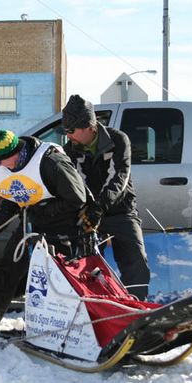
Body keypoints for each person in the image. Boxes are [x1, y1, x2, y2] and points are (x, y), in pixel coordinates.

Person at [0, 130, 87, 331]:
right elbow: (10, 201)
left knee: (59, 278)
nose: (0, 166)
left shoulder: (50, 162)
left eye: (2, 160)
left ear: (16, 152)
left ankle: (70, 326)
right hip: (30, 224)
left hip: (63, 227)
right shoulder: (4, 167)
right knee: (6, 272)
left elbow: (77, 198)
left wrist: (43, 211)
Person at [61, 94, 151, 300]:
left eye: (71, 130)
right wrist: (87, 211)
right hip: (88, 213)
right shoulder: (69, 151)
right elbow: (75, 185)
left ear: (89, 126)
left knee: (135, 259)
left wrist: (99, 208)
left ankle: (137, 303)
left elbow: (118, 177)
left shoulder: (118, 140)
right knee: (82, 261)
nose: (68, 135)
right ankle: (92, 305)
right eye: (65, 131)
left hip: (121, 210)